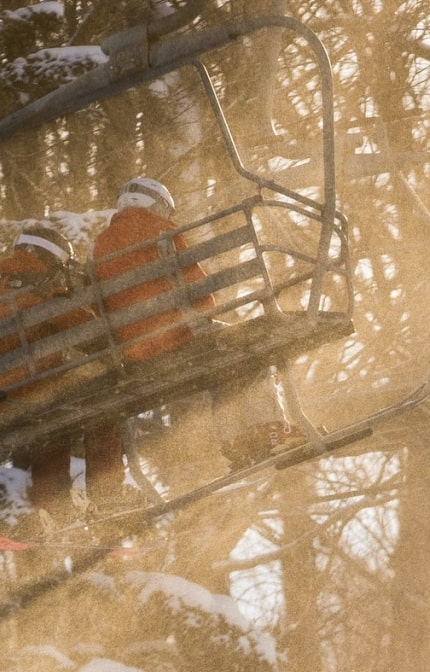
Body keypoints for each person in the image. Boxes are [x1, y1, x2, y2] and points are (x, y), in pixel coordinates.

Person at [91, 176, 299, 471]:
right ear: (157, 204)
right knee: (249, 344)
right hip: (175, 339)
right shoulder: (163, 232)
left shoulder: (96, 248)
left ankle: (238, 442)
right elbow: (199, 292)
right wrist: (201, 314)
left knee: (226, 366)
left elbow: (97, 310)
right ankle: (270, 430)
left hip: (132, 354)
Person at [0, 220, 123, 512]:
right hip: (25, 392)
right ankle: (109, 499)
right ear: (52, 261)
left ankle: (53, 511)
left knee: (50, 429)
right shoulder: (41, 294)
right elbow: (89, 332)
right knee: (101, 406)